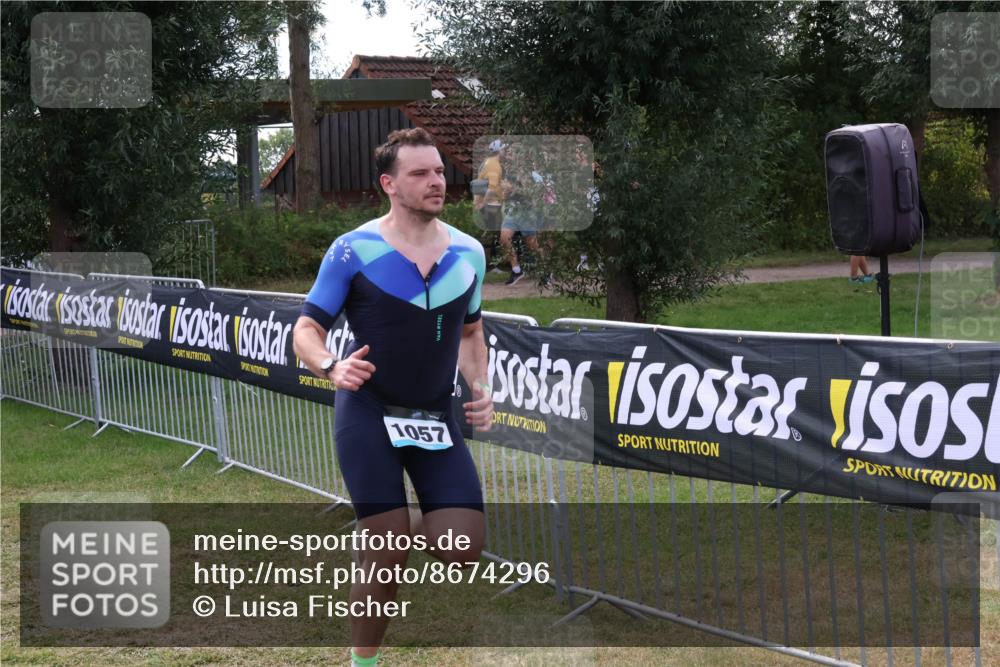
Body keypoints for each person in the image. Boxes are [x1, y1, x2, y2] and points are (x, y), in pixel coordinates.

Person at [291, 127, 493, 667]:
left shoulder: (470, 253)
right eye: (420, 173)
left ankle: (387, 531)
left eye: (439, 171)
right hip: (369, 409)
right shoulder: (353, 249)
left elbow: (471, 332)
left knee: (462, 547)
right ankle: (363, 661)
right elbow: (306, 330)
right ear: (389, 184)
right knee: (386, 554)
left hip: (434, 415)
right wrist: (332, 366)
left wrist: (480, 385)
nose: (436, 181)